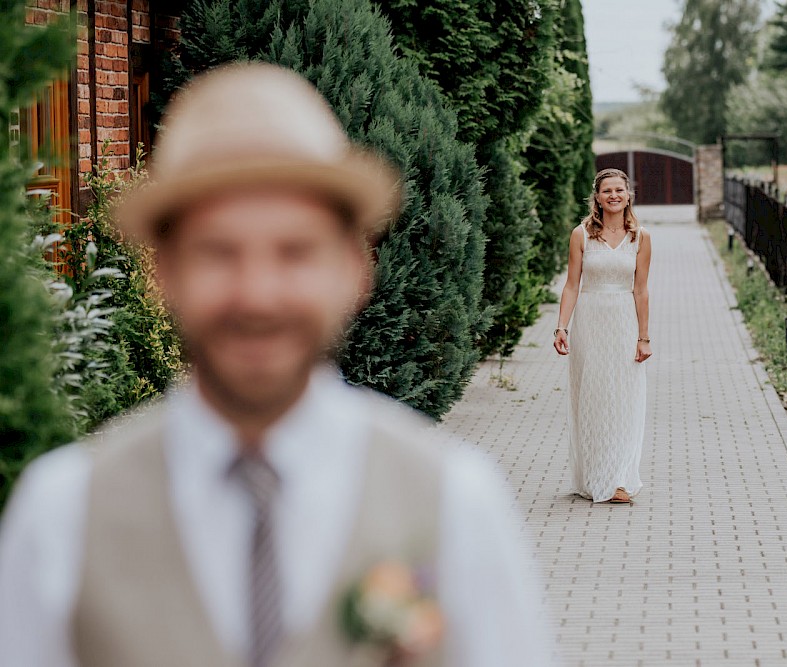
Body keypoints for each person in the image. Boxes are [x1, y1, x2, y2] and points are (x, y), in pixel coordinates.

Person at [0, 63, 552, 667]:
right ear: (164, 274)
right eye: (218, 253)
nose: (257, 295)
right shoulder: (61, 514)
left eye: (295, 252)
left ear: (353, 269)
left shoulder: (455, 500)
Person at [553, 168, 652, 504]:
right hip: (590, 322)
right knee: (593, 398)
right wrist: (562, 327)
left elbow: (641, 290)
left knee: (624, 399)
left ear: (628, 195)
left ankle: (620, 478)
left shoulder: (641, 237)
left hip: (623, 321)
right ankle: (596, 475)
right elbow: (571, 285)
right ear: (596, 197)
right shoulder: (581, 234)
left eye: (619, 190)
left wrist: (644, 337)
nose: (613, 196)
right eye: (607, 190)